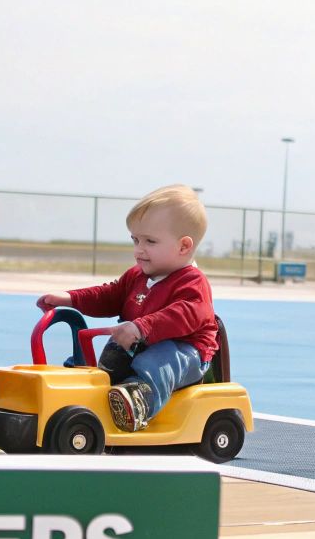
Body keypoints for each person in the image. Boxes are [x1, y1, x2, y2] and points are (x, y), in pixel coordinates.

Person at [37, 184, 218, 432]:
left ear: (183, 246)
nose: (138, 250)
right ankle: (103, 387)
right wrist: (70, 298)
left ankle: (138, 402)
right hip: (141, 342)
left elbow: (184, 315)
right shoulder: (137, 276)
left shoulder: (193, 283)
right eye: (135, 240)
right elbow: (110, 295)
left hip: (186, 353)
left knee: (160, 358)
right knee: (116, 347)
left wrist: (141, 327)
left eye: (150, 241)